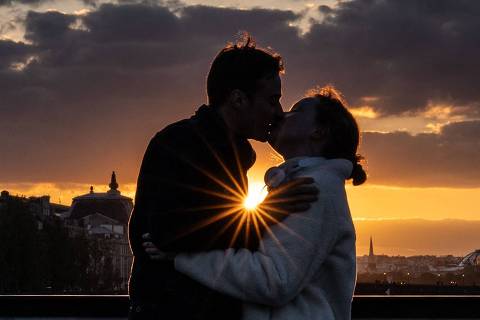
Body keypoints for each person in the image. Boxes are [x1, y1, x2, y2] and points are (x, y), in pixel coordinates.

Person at [128, 35, 319, 320]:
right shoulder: (184, 144)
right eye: (272, 100)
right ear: (238, 99)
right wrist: (268, 213)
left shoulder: (194, 144)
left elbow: (184, 234)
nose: (278, 113)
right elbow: (167, 231)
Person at [143, 86, 367, 320]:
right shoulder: (306, 183)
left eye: (295, 111)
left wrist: (184, 257)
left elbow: (275, 281)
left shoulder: (315, 188)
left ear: (318, 132)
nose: (281, 114)